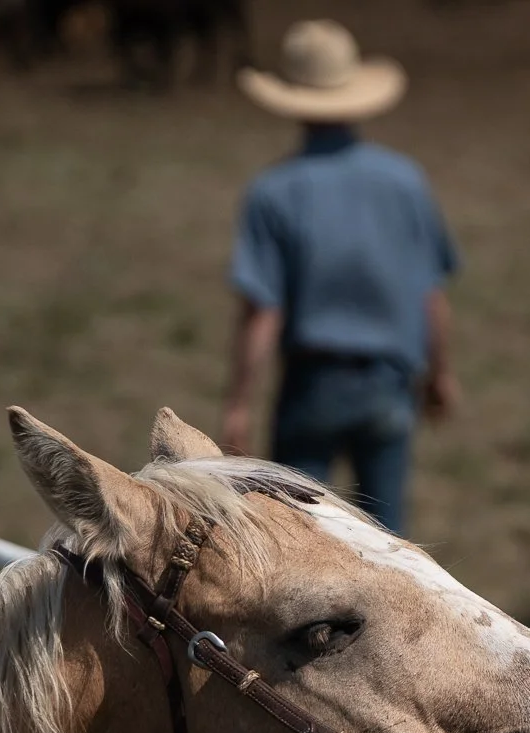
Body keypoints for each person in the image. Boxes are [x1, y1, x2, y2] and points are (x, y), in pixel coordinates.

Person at [222, 20, 458, 535]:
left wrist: (239, 400)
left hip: (313, 384)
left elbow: (263, 310)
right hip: (391, 381)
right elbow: (430, 294)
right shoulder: (405, 181)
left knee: (300, 536)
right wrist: (440, 373)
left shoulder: (274, 192)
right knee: (389, 541)